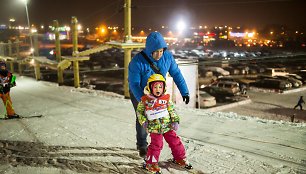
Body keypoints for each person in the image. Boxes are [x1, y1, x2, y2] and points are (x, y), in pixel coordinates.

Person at [128, 32, 189, 158]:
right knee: (143, 117)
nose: (159, 54)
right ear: (149, 50)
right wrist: (144, 100)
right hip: (139, 92)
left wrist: (185, 91)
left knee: (160, 117)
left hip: (157, 93)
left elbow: (176, 74)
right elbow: (134, 84)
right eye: (156, 52)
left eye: (161, 51)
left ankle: (157, 144)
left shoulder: (167, 57)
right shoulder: (137, 62)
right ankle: (142, 144)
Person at [137, 74, 192, 173]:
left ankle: (180, 158)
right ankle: (151, 163)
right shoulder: (145, 101)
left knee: (175, 141)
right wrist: (143, 121)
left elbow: (172, 111)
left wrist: (175, 120)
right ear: (150, 88)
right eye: (155, 87)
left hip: (168, 126)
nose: (158, 89)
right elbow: (140, 112)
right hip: (155, 128)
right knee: (156, 145)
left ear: (164, 88)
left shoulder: (166, 99)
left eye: (160, 86)